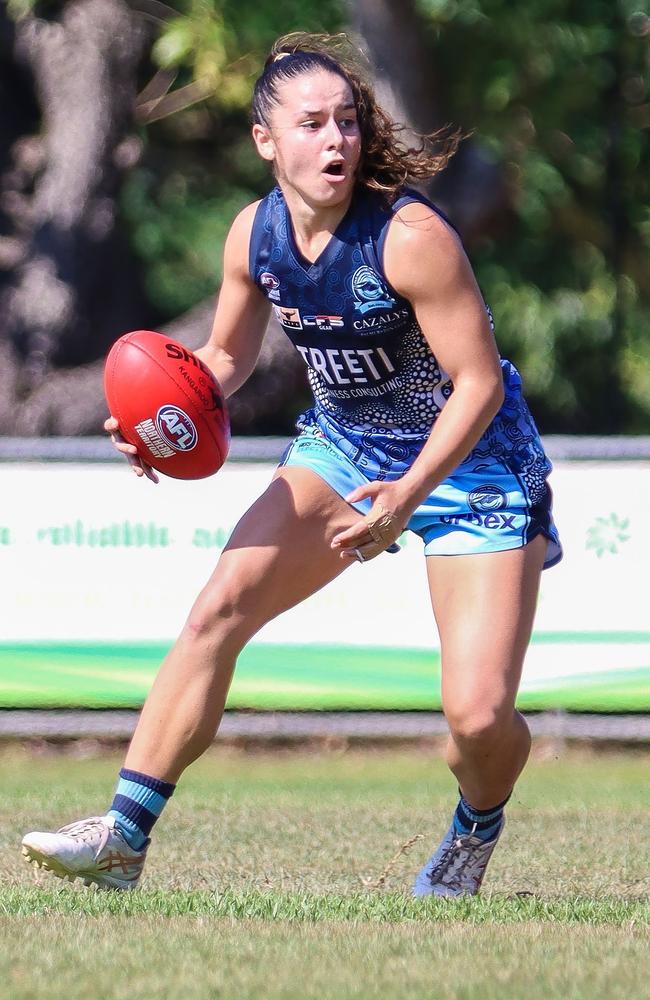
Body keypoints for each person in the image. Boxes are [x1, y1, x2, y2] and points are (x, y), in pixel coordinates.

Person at [22, 32, 561, 897]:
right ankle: (122, 837)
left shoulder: (411, 236)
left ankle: (475, 828)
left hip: (473, 463)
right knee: (217, 609)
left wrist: (406, 497)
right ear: (266, 140)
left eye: (347, 121)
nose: (337, 140)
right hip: (345, 444)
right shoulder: (254, 235)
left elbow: (478, 385)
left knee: (478, 718)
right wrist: (163, 420)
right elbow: (223, 362)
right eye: (312, 124)